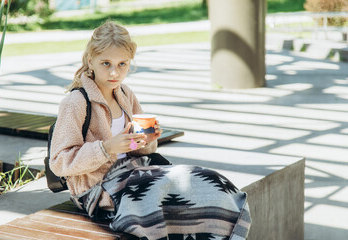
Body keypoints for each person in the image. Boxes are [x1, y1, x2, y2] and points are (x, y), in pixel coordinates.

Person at [50, 20, 251, 240]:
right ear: (91, 60)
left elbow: (137, 148)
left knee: (209, 181)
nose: (114, 72)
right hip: (99, 190)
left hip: (135, 172)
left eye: (122, 64)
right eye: (106, 63)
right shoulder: (76, 102)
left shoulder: (125, 94)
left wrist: (148, 140)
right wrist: (107, 148)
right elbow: (60, 162)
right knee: (168, 196)